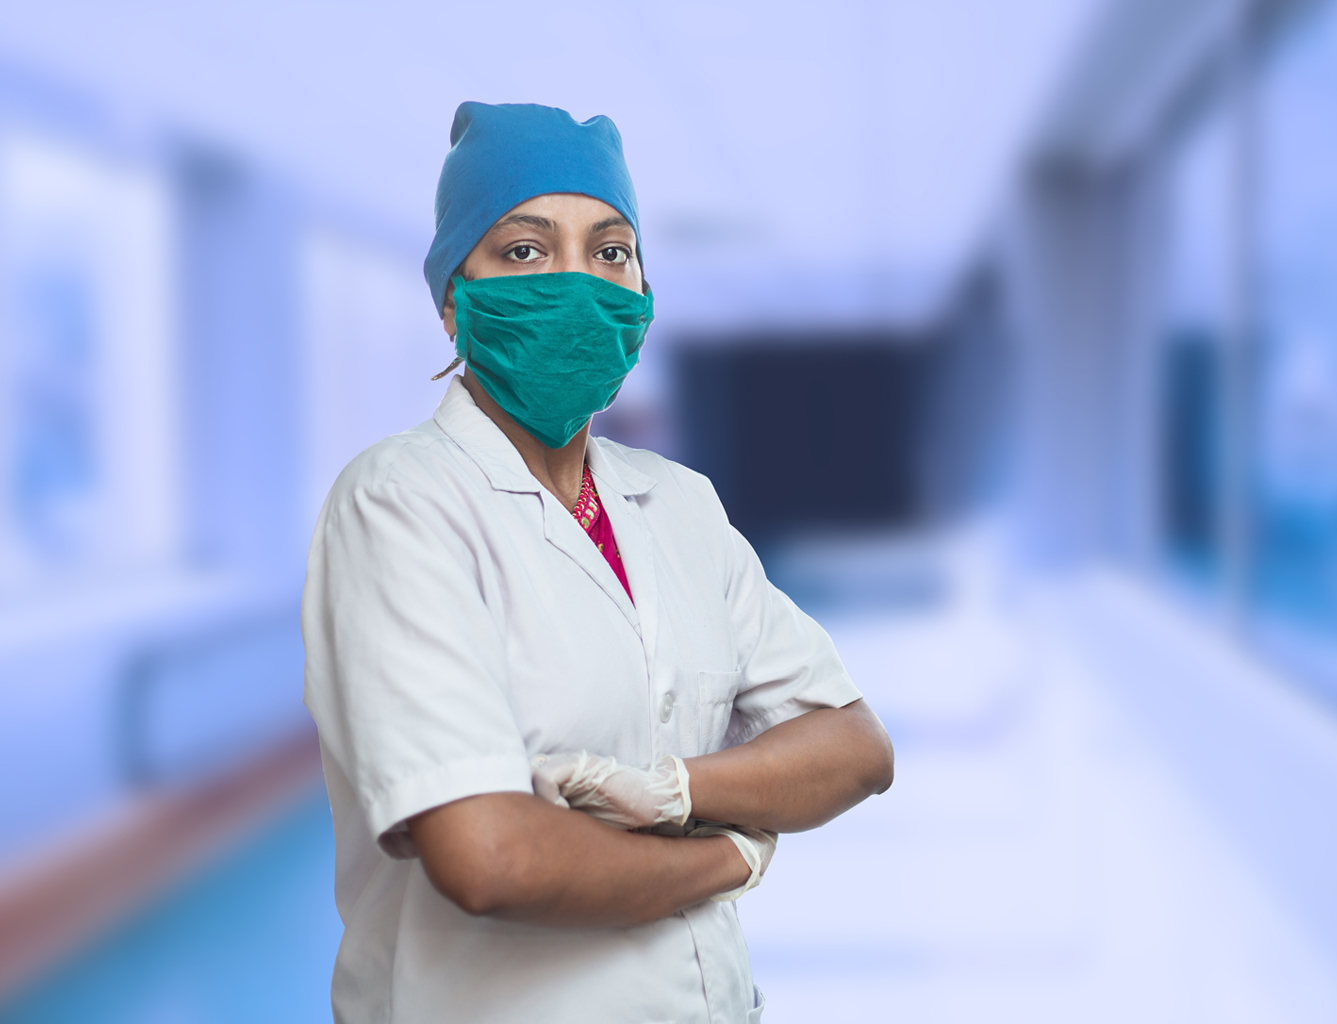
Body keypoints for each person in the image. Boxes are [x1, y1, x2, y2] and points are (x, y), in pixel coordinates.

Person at [301, 102, 895, 1024]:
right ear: (455, 297)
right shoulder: (400, 503)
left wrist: (677, 789)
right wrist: (723, 853)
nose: (580, 284)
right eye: (527, 251)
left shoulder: (680, 505)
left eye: (610, 251)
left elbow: (853, 747)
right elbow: (488, 856)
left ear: (643, 293)